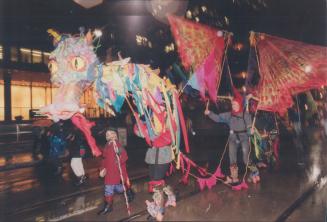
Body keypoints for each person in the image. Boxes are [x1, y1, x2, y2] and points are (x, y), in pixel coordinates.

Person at [204, 88, 259, 185]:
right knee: (232, 158)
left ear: (239, 105)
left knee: (245, 159)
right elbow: (218, 118)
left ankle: (255, 171)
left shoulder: (245, 114)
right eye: (233, 104)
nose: (234, 106)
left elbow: (249, 127)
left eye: (236, 104)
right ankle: (234, 177)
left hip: (243, 137)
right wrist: (210, 114)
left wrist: (251, 131)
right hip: (233, 137)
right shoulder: (229, 115)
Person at [97, 128, 134, 215]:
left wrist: (118, 160)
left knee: (117, 189)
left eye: (111, 134)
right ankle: (108, 206)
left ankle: (128, 190)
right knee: (109, 189)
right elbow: (104, 159)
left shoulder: (118, 145)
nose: (109, 136)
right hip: (109, 172)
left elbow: (124, 156)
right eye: (107, 135)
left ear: (115, 135)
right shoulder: (107, 145)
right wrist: (102, 169)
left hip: (116, 171)